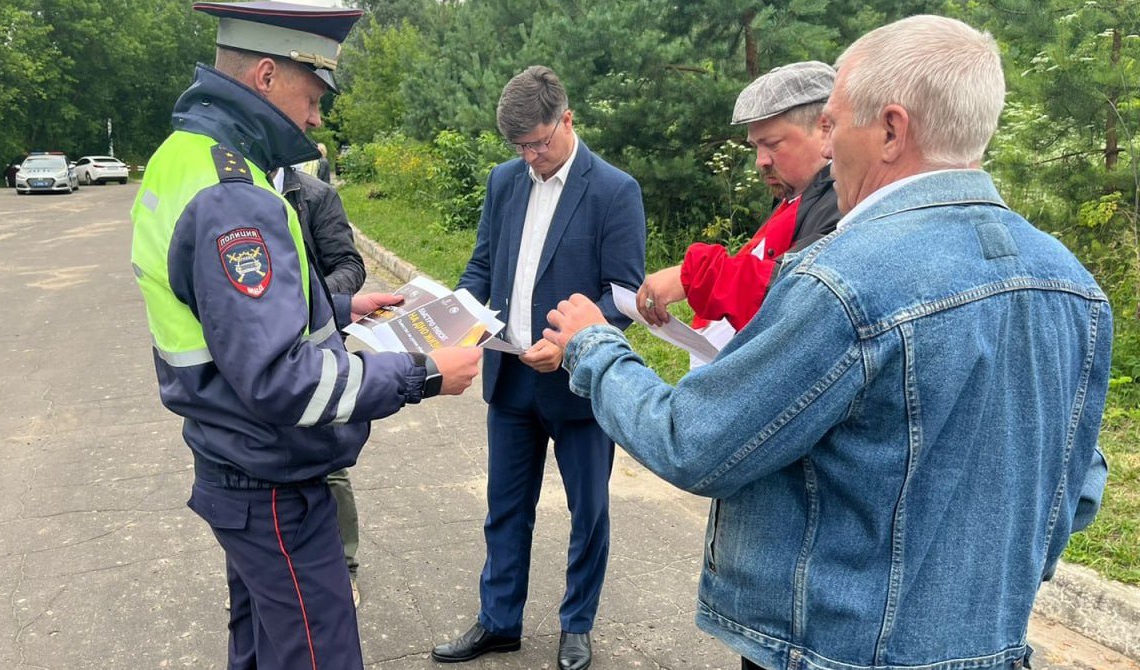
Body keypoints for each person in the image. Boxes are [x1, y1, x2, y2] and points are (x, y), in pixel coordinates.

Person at [542, 15, 1111, 670]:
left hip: (836, 652)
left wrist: (595, 348)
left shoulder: (843, 282)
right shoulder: (1075, 286)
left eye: (835, 125)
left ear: (892, 130)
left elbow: (691, 443)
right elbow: (1080, 480)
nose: (827, 146)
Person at [129, 2, 481, 668]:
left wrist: (341, 309)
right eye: (313, 95)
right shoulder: (236, 195)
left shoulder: (183, 158)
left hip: (233, 463)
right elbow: (281, 379)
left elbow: (223, 317)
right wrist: (425, 373)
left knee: (261, 651)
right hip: (274, 486)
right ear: (266, 75)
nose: (319, 116)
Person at [432, 65, 646, 670]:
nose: (531, 157)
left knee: (588, 511)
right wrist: (456, 316)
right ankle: (499, 621)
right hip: (511, 378)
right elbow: (481, 268)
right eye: (519, 146)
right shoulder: (505, 182)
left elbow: (624, 294)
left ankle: (576, 625)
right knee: (505, 509)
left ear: (567, 120)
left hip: (577, 385)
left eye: (539, 143)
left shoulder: (613, 190)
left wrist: (573, 344)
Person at [635, 61, 839, 339]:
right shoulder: (798, 194)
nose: (760, 161)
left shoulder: (844, 201)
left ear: (824, 129)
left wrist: (696, 276)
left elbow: (792, 292)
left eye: (773, 144)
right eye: (756, 146)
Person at [274, 163, 367, 605]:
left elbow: (350, 265)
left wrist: (305, 305)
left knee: (330, 466)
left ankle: (344, 566)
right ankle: (266, 575)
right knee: (257, 466)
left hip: (315, 351)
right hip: (254, 355)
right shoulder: (224, 193)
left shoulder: (314, 195)